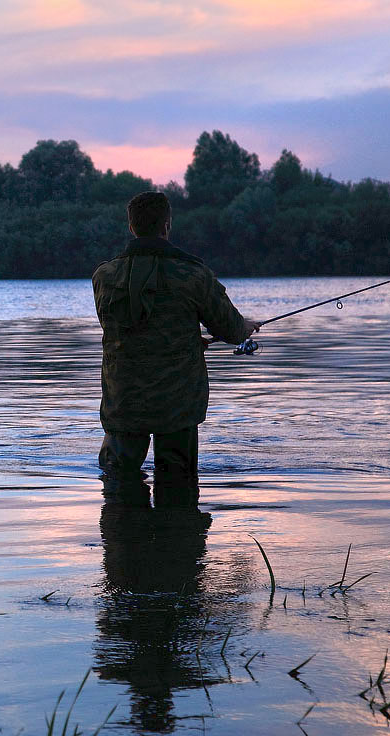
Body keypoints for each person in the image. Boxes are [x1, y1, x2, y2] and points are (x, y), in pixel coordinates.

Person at [92, 191, 259, 507]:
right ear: (167, 226)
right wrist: (245, 327)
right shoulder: (193, 274)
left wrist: (185, 336)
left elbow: (123, 328)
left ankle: (125, 548)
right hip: (177, 404)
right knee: (179, 487)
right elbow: (231, 329)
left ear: (132, 227)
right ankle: (178, 550)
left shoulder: (103, 276)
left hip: (123, 401)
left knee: (117, 485)